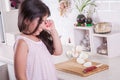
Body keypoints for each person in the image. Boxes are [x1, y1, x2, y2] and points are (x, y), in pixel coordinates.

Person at [14, 0, 62, 80]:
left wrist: (53, 30)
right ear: (27, 20)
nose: (43, 25)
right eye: (41, 21)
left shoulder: (40, 38)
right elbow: (20, 76)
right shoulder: (23, 42)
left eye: (45, 21)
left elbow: (58, 51)